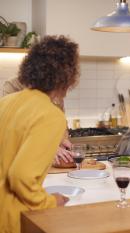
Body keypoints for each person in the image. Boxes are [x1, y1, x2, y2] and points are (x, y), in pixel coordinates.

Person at [0, 35, 80, 233]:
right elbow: (21, 176)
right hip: (16, 219)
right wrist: (50, 201)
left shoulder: (6, 103)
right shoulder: (50, 114)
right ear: (68, 76)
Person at [2, 77, 74, 166]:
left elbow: (60, 121)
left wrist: (62, 139)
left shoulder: (54, 87)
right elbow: (15, 127)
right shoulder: (13, 86)